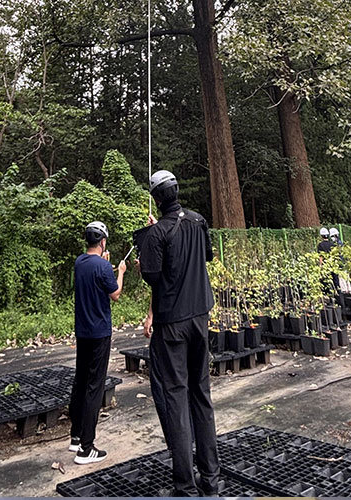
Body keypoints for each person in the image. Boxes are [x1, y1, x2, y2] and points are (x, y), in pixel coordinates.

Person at [136, 170, 220, 496]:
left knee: (175, 399)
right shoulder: (198, 222)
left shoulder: (157, 234)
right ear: (177, 191)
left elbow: (153, 277)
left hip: (172, 324)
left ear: (156, 199)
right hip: (201, 317)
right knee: (202, 395)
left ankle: (185, 486)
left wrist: (147, 253)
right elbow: (206, 255)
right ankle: (210, 481)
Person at [68, 221, 126, 465]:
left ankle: (76, 435)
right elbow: (115, 294)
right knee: (94, 387)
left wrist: (106, 265)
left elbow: (96, 274)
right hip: (99, 333)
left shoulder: (80, 263)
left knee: (81, 381)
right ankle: (86, 448)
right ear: (103, 241)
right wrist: (120, 272)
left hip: (82, 332)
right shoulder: (103, 266)